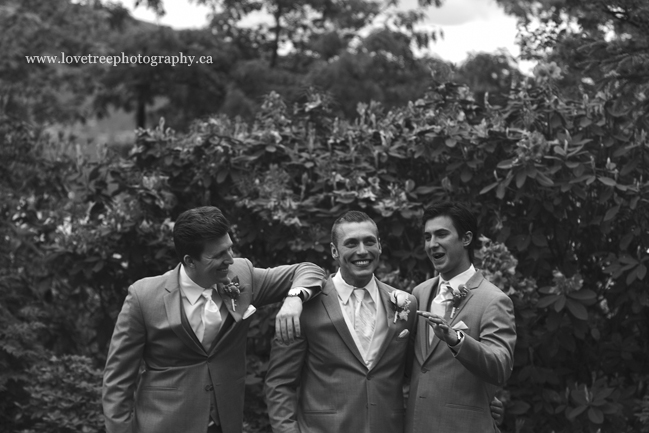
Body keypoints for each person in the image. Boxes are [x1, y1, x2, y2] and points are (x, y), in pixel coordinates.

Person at [102, 206, 325, 433]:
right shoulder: (144, 296)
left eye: (229, 249)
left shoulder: (243, 275)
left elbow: (310, 271)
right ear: (190, 261)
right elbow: (118, 382)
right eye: (218, 255)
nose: (229, 260)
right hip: (163, 425)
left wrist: (294, 298)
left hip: (224, 424)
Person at [264, 211, 418, 433]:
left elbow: (415, 373)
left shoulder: (406, 304)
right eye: (351, 243)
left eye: (369, 242)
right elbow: (280, 384)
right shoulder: (305, 306)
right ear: (334, 251)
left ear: (380, 246)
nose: (362, 251)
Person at [406, 201, 516, 433]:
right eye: (427, 237)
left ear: (466, 239)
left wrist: (456, 339)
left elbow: (500, 367)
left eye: (441, 234)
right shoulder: (419, 293)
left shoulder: (493, 300)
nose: (432, 244)